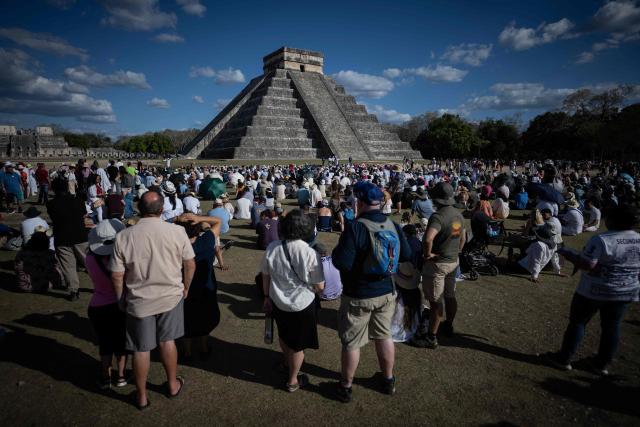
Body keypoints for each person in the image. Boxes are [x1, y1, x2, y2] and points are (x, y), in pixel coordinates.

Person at [110, 191, 196, 410]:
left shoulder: (124, 235)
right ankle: (172, 384)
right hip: (170, 295)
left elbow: (117, 274)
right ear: (161, 209)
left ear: (139, 208)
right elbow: (190, 264)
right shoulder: (177, 231)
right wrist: (186, 287)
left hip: (139, 298)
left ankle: (141, 396)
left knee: (141, 348)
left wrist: (120, 298)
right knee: (168, 341)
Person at [332, 182, 411, 402]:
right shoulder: (392, 224)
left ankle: (346, 386)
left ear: (359, 201)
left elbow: (342, 263)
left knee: (352, 342)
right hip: (386, 291)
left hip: (359, 293)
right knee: (384, 335)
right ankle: (388, 379)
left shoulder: (356, 227)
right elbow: (406, 254)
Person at [546, 205, 640, 375]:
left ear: (613, 220)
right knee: (612, 326)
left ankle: (564, 358)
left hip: (595, 290)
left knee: (578, 322)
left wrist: (568, 253)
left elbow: (588, 264)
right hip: (626, 290)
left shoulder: (602, 239)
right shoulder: (638, 239)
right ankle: (601, 364)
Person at [261, 210, 325, 392]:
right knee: (298, 345)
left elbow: (265, 275)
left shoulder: (273, 247)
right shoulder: (309, 253)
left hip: (277, 301)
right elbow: (319, 286)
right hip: (302, 304)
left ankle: (286, 362)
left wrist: (266, 296)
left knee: (284, 335)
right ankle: (292, 380)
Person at [416, 182, 466, 349]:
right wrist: (455, 252)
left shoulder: (438, 216)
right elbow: (462, 239)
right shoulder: (458, 215)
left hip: (438, 264)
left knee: (436, 302)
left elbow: (428, 238)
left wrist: (426, 254)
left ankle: (431, 337)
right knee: (450, 296)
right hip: (453, 262)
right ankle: (448, 325)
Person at [86, 219, 129, 389]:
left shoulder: (89, 259)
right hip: (120, 304)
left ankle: (105, 376)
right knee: (121, 343)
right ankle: (121, 376)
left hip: (98, 306)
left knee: (105, 343)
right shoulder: (123, 259)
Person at [175, 213, 223, 361]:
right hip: (205, 285)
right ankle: (203, 346)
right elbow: (218, 221)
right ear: (197, 228)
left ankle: (187, 350)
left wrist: (177, 219)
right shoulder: (207, 240)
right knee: (205, 316)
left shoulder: (175, 245)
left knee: (186, 318)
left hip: (183, 287)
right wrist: (200, 218)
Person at [47, 176, 89, 301]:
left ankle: (73, 291)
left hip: (62, 236)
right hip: (80, 235)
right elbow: (83, 214)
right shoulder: (78, 200)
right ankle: (101, 284)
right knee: (90, 263)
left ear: (53, 189)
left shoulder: (51, 204)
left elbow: (54, 219)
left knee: (68, 266)